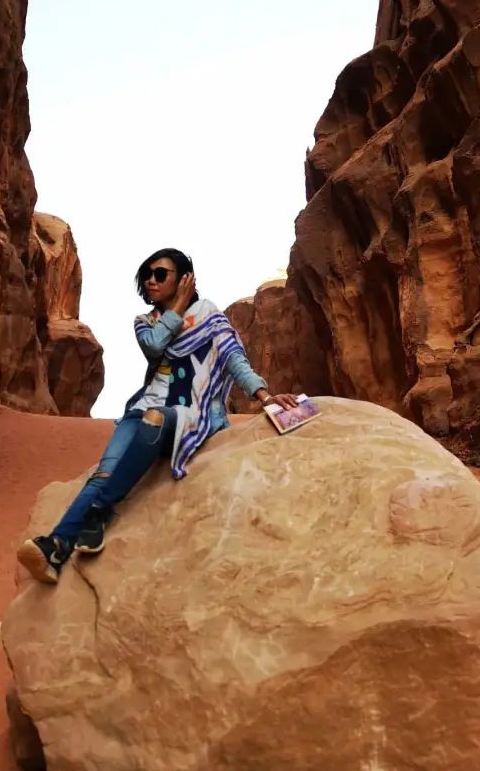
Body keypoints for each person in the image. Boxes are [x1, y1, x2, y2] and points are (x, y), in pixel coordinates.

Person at [17, 248, 300, 583]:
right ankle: (57, 547)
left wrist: (265, 396)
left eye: (161, 274)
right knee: (103, 474)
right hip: (140, 410)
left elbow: (234, 360)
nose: (151, 280)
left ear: (183, 280)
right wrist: (177, 309)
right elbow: (154, 345)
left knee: (154, 418)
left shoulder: (210, 317)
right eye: (148, 274)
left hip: (189, 412)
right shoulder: (145, 323)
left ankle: (97, 512)